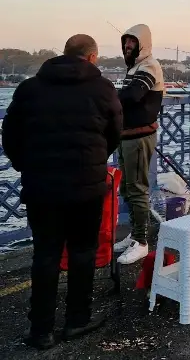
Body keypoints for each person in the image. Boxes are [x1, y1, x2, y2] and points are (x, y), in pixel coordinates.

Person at [2, 35, 122, 349]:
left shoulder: (30, 88)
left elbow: (11, 134)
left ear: (63, 54)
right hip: (87, 184)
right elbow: (114, 134)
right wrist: (95, 161)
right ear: (93, 58)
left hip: (42, 186)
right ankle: (77, 320)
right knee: (83, 251)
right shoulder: (103, 89)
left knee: (45, 254)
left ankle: (41, 330)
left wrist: (24, 164)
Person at [114, 24, 165, 265]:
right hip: (126, 136)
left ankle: (142, 242)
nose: (127, 47)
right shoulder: (135, 68)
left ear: (142, 44)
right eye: (125, 42)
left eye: (132, 43)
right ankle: (135, 235)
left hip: (139, 137)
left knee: (137, 189)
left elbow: (133, 95)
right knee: (127, 187)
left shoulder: (149, 66)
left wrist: (105, 97)